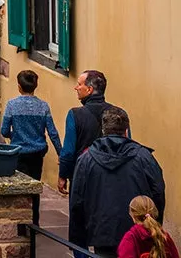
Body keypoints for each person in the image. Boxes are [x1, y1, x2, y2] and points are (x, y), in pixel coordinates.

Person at [69, 107, 165, 256]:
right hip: (137, 229)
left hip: (102, 231)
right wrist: (154, 224)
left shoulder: (86, 159)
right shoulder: (143, 157)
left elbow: (77, 200)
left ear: (103, 131)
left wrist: (78, 239)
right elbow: (158, 192)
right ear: (126, 131)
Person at [62, 70, 127, 195]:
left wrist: (63, 174)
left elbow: (68, 151)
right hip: (114, 176)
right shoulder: (119, 113)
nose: (76, 88)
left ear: (89, 90)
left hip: (83, 174)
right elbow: (126, 144)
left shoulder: (75, 115)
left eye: (79, 84)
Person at [0, 69, 62, 181]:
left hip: (19, 151)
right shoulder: (44, 106)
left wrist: (14, 135)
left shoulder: (12, 105)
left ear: (19, 86)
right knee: (35, 182)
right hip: (37, 152)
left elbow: (4, 131)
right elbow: (52, 132)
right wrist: (60, 152)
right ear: (35, 85)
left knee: (20, 184)